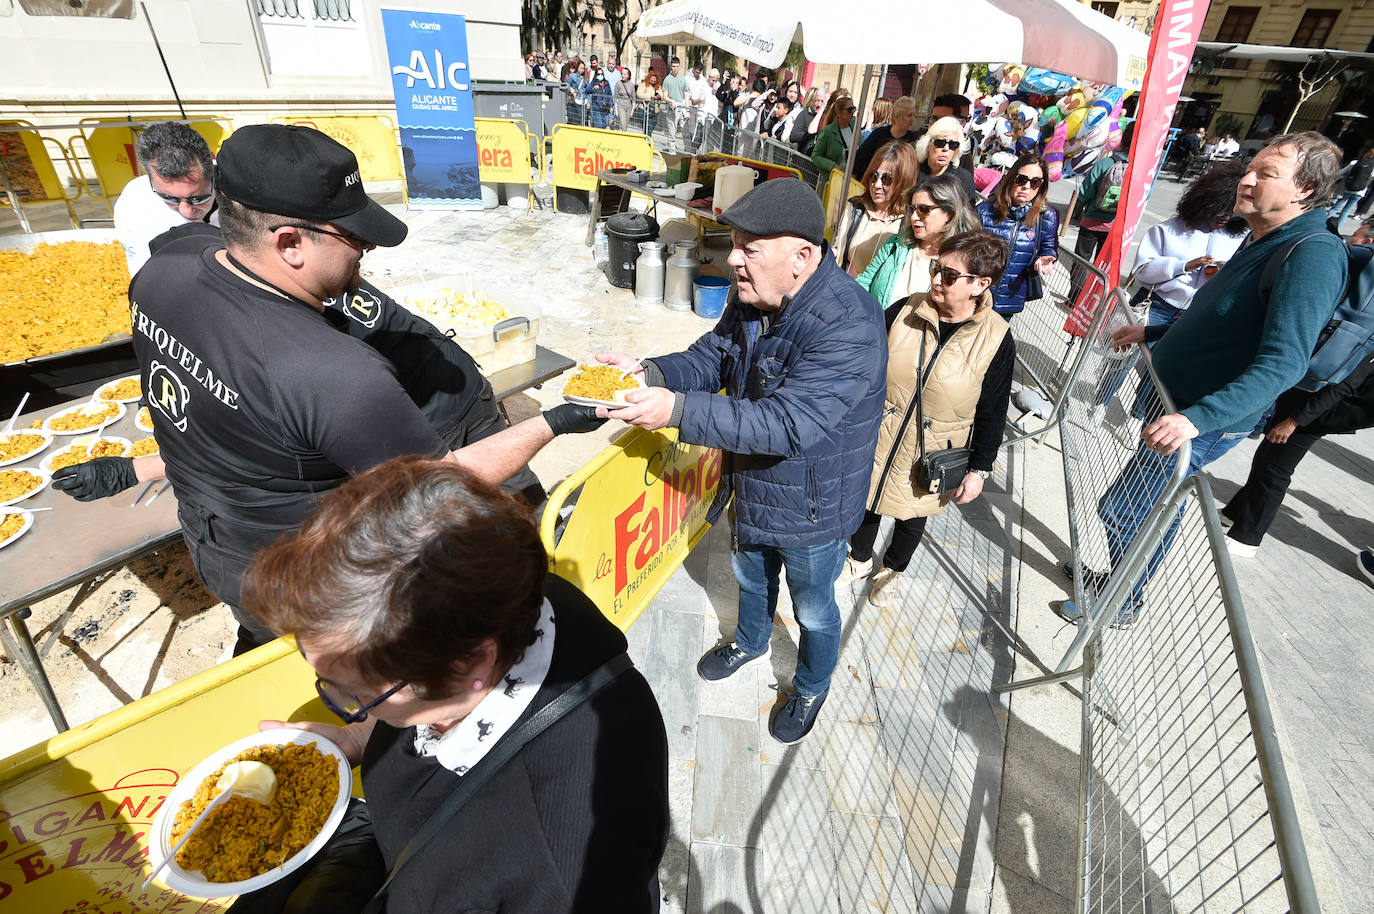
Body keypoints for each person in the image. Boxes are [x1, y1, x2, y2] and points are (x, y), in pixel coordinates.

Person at [68, 125, 604, 655]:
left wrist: (135, 469)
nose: (367, 245)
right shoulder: (332, 374)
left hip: (221, 550)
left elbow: (220, 418)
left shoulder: (167, 267)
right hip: (307, 565)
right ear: (289, 243)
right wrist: (554, 421)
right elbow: (443, 487)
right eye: (352, 235)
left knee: (274, 653)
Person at [233, 458, 668, 912]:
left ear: (469, 666)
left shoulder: (563, 870)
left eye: (359, 694)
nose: (348, 706)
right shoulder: (518, 592)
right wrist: (359, 738)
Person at [594, 179, 888, 744]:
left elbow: (788, 423)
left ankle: (810, 685)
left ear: (802, 256)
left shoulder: (850, 324)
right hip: (752, 484)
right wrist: (650, 374)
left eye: (749, 248)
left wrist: (674, 410)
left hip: (811, 507)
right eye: (734, 243)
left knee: (814, 610)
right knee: (750, 578)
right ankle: (751, 641)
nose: (731, 259)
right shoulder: (753, 294)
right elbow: (716, 354)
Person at [1059, 132, 1349, 627]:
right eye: (1249, 167)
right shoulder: (1264, 236)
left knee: (1126, 509)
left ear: (1304, 190)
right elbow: (1223, 318)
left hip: (1206, 414)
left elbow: (1284, 363)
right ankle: (1122, 583)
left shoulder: (1312, 255)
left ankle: (1120, 602)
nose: (1248, 179)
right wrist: (1152, 329)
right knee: (1150, 505)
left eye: (1267, 174)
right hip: (1180, 402)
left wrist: (1198, 419)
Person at [847, 231, 1015, 606]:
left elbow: (993, 410)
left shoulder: (996, 338)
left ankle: (892, 570)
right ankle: (857, 558)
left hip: (934, 449)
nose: (937, 280)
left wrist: (980, 469)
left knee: (911, 514)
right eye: (936, 268)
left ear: (980, 284)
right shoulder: (907, 309)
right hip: (883, 430)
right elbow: (865, 361)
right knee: (868, 498)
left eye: (950, 276)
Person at [1221, 352, 1374, 557]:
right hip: (1312, 406)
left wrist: (1295, 421)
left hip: (1315, 411)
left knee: (1275, 470)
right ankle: (1235, 512)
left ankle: (1246, 538)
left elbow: (1343, 386)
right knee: (1267, 459)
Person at [114, 121, 219, 275]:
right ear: (150, 181)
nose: (187, 212)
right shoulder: (133, 204)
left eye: (198, 198)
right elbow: (147, 276)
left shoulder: (245, 186)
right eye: (169, 198)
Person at [858, 173, 980, 307]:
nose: (914, 217)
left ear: (949, 214)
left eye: (923, 209)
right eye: (912, 209)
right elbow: (863, 283)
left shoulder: (964, 263)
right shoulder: (895, 244)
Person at [976, 152, 1060, 318]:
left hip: (1008, 301)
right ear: (1011, 178)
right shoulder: (985, 210)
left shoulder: (1047, 216)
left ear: (1042, 186)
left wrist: (1047, 257)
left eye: (1035, 182)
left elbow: (1048, 246)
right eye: (1021, 179)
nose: (1026, 187)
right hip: (976, 297)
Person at [832, 140, 921, 276]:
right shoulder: (856, 209)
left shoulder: (910, 221)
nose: (877, 185)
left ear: (902, 181)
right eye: (874, 176)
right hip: (844, 289)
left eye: (886, 179)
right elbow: (838, 254)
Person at [1070, 121, 1134, 292]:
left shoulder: (1105, 163)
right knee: (1103, 266)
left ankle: (1074, 297)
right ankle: (1093, 299)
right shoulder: (1138, 170)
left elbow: (1085, 192)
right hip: (1116, 226)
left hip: (1091, 220)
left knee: (1081, 261)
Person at [915, 116, 979, 204]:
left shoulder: (964, 179)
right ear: (928, 144)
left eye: (953, 145)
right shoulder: (913, 171)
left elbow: (970, 214)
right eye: (940, 143)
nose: (946, 148)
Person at [852, 96, 918, 179]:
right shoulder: (879, 134)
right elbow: (860, 158)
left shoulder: (913, 140)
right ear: (897, 117)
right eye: (909, 115)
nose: (913, 119)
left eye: (914, 115)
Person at [810, 95, 857, 179]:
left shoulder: (855, 128)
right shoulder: (828, 131)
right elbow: (816, 156)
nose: (853, 112)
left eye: (854, 109)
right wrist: (832, 166)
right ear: (839, 112)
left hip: (851, 181)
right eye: (850, 110)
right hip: (832, 180)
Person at [1329, 146, 1374, 229]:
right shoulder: (1373, 168)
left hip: (1347, 189)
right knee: (1346, 210)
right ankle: (1338, 228)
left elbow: (1341, 172)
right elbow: (1370, 180)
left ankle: (1325, 225)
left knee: (1336, 207)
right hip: (1360, 192)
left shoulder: (1355, 163)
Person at [564, 61, 588, 126]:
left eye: (583, 68)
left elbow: (587, 90)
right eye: (581, 68)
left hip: (583, 100)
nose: (582, 70)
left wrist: (589, 101)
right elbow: (566, 84)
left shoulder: (585, 78)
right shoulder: (572, 76)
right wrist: (571, 89)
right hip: (575, 100)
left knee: (583, 119)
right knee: (575, 119)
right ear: (577, 68)